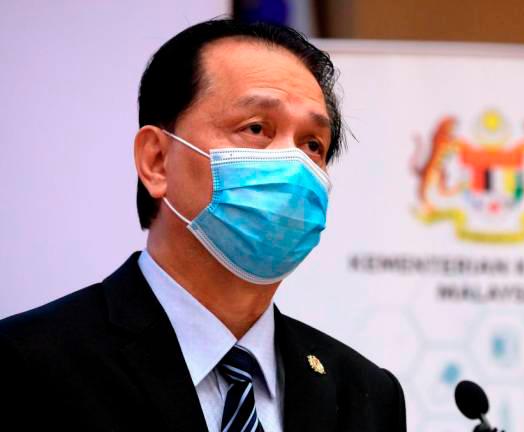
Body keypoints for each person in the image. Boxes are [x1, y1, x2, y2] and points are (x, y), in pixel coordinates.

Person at [0, 19, 406, 431]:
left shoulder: (366, 394)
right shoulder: (27, 364)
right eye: (256, 128)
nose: (293, 163)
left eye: (312, 145)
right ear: (157, 161)